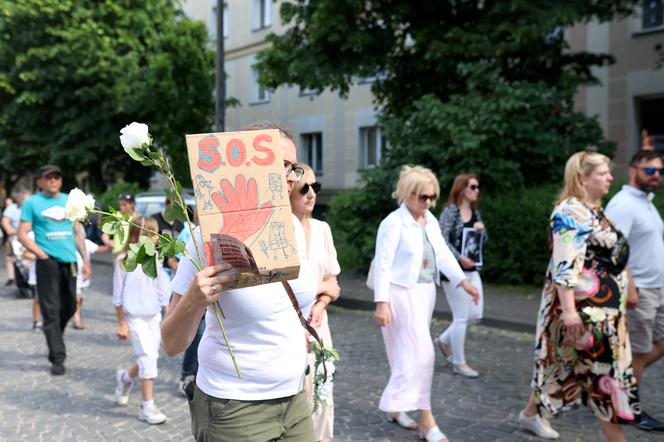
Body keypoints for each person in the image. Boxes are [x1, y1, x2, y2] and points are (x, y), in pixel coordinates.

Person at [161, 123, 318, 441]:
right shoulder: (206, 236)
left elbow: (285, 307)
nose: (292, 177)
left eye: (294, 167)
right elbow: (171, 343)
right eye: (284, 166)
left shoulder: (292, 226)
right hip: (234, 408)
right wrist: (194, 298)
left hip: (294, 400)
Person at [518, 151, 641, 441]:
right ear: (583, 177)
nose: (611, 177)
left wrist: (629, 287)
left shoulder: (595, 209)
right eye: (603, 172)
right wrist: (570, 312)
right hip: (586, 313)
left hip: (605, 311)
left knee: (562, 366)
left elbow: (615, 255)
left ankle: (529, 414)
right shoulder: (570, 212)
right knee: (600, 375)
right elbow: (565, 264)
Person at [372, 165, 479, 442]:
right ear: (408, 194)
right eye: (423, 197)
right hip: (399, 294)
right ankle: (427, 420)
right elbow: (383, 266)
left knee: (405, 355)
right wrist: (381, 303)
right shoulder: (392, 223)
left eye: (432, 197)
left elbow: (442, 254)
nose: (428, 203)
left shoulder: (429, 220)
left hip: (425, 293)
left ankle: (396, 407)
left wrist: (462, 282)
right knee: (423, 354)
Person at [605, 149, 664, 432]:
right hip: (639, 290)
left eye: (660, 171)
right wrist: (629, 287)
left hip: (658, 288)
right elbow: (614, 248)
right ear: (633, 170)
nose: (656, 176)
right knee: (639, 351)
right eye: (650, 170)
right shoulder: (623, 204)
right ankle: (630, 408)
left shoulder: (647, 203)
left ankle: (615, 381)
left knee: (654, 346)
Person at [17, 165, 90, 375]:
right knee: (49, 309)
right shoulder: (32, 203)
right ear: (40, 181)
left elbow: (77, 232)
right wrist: (41, 255)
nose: (53, 181)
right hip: (47, 262)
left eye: (56, 177)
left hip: (70, 261)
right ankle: (57, 357)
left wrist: (85, 260)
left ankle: (55, 333)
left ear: (60, 180)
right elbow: (22, 234)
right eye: (48, 177)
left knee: (69, 305)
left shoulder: (69, 200)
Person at [290, 164, 341, 442]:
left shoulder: (323, 229)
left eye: (316, 187)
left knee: (322, 392)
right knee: (298, 395)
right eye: (304, 188)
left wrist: (320, 304)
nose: (311, 194)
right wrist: (320, 287)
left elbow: (333, 283)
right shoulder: (281, 234)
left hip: (318, 326)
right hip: (289, 325)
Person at [113, 215, 170, 425]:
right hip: (134, 316)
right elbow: (117, 296)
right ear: (136, 236)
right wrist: (122, 323)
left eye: (155, 235)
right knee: (147, 357)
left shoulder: (156, 259)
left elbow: (162, 291)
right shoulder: (123, 260)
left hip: (153, 315)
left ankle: (125, 378)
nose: (153, 239)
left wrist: (168, 316)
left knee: (150, 355)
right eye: (148, 234)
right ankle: (147, 406)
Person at [435, 174, 487, 378]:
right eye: (473, 187)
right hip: (454, 273)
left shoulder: (475, 213)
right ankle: (459, 363)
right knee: (461, 317)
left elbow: (481, 243)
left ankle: (443, 340)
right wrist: (459, 258)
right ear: (461, 189)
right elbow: (440, 240)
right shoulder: (450, 212)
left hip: (472, 270)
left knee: (476, 314)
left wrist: (482, 231)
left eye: (477, 187)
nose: (477, 190)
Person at [72, 226, 110, 330]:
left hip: (84, 278)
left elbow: (99, 249)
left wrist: (109, 245)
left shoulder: (86, 243)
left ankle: (76, 313)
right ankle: (76, 319)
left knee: (81, 298)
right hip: (74, 275)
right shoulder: (69, 244)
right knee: (77, 296)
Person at [2, 192, 28, 286]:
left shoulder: (31, 207)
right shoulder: (12, 208)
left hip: (30, 236)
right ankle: (11, 278)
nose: (22, 199)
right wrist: (10, 230)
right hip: (14, 237)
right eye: (20, 198)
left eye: (24, 198)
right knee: (9, 257)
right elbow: (5, 221)